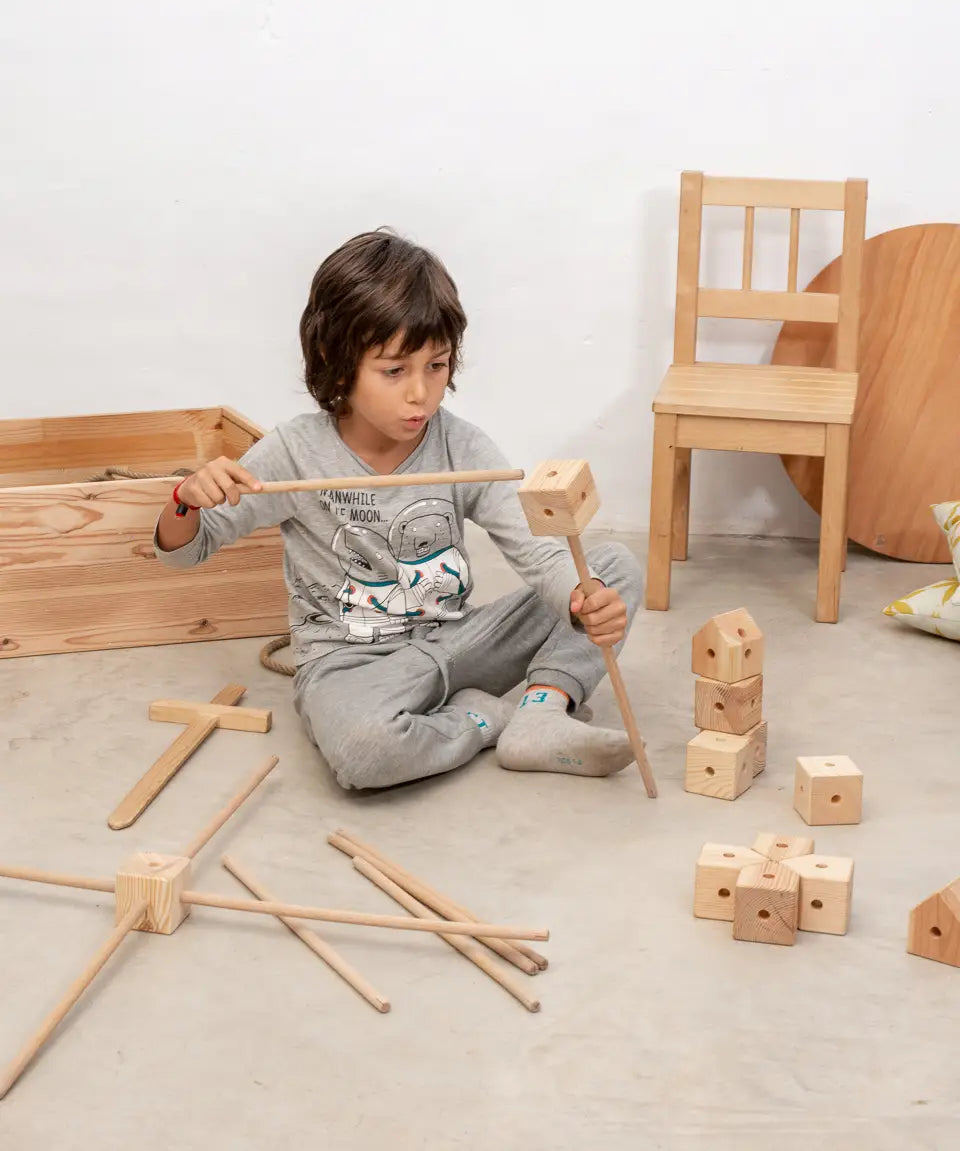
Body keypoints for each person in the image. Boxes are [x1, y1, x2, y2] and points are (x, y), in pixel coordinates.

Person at [155, 230, 645, 790]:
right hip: (349, 667)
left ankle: (541, 711)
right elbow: (185, 551)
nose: (422, 393)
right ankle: (486, 719)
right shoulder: (294, 452)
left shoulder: (463, 446)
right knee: (364, 754)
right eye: (394, 371)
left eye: (436, 366)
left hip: (460, 643)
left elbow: (537, 553)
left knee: (610, 566)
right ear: (336, 364)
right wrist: (186, 500)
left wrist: (583, 602)